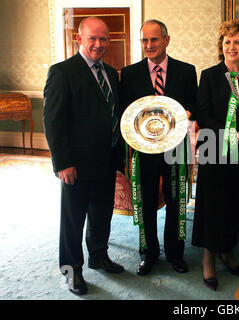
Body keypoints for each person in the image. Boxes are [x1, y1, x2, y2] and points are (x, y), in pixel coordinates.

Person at [43, 17, 125, 296]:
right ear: (79, 39)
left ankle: (99, 256)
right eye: (92, 38)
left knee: (102, 214)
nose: (98, 44)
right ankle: (71, 270)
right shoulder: (62, 72)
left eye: (103, 39)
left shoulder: (112, 74)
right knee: (73, 219)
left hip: (107, 159)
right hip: (75, 165)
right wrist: (62, 162)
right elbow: (53, 121)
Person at [119, 19, 198, 276]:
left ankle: (176, 254)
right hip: (144, 152)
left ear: (166, 40)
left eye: (154, 39)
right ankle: (148, 253)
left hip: (177, 149)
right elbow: (124, 114)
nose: (149, 45)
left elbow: (195, 106)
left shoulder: (187, 71)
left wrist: (187, 112)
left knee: (177, 202)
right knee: (146, 202)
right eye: (144, 40)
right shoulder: (129, 74)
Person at [191, 19, 239, 291]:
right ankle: (208, 258)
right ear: (221, 46)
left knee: (233, 202)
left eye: (237, 42)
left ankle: (228, 250)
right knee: (211, 204)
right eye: (227, 42)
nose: (232, 46)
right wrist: (230, 132)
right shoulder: (209, 75)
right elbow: (202, 112)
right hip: (213, 148)